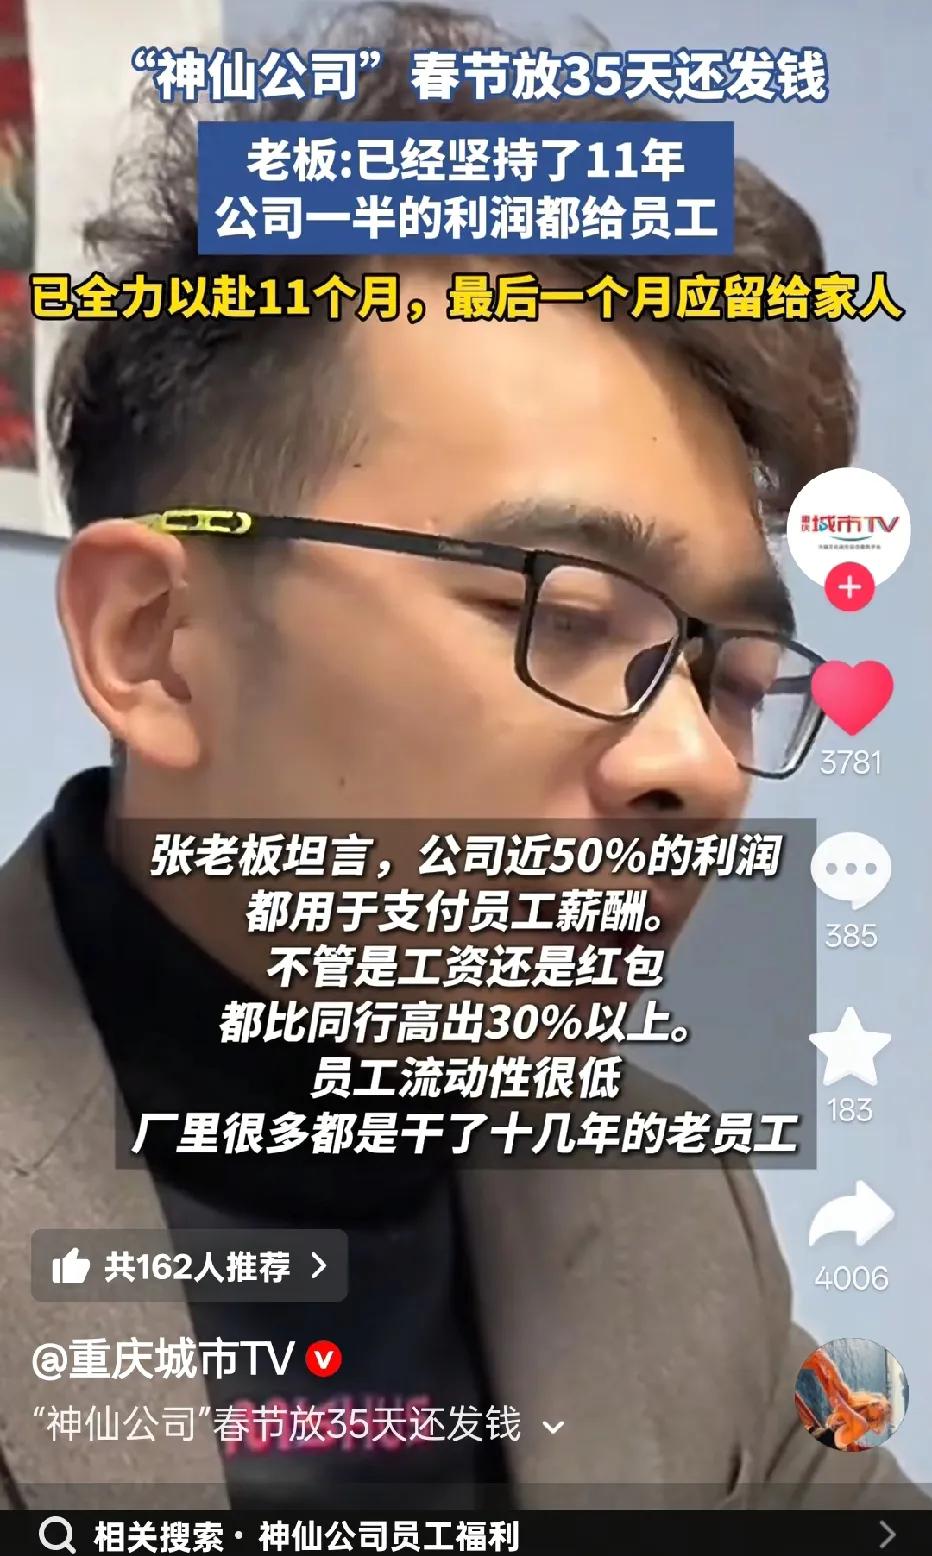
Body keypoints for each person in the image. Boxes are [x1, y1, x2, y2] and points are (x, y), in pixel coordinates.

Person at [0, 0, 925, 1516]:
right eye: (565, 612)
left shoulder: (665, 1199)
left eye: (735, 677)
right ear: (154, 643)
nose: (698, 771)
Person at [799, 1350, 893, 1452]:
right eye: (881, 1403)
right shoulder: (857, 1407)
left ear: (877, 1419)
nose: (879, 1405)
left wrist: (829, 1366)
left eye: (882, 1410)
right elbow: (839, 1388)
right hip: (819, 1436)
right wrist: (823, 1366)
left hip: (817, 1450)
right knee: (816, 1364)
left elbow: (836, 1400)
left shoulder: (861, 1425)